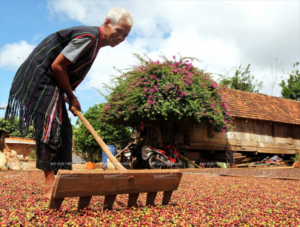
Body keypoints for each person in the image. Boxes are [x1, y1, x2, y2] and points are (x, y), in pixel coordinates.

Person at [5, 8, 133, 199]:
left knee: (64, 131)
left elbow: (64, 70)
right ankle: (50, 185)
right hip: (43, 77)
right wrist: (72, 97)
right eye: (119, 31)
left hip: (54, 82)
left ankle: (62, 178)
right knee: (51, 127)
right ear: (107, 23)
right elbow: (57, 65)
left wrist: (68, 96)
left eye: (126, 35)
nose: (121, 38)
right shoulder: (89, 38)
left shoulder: (95, 43)